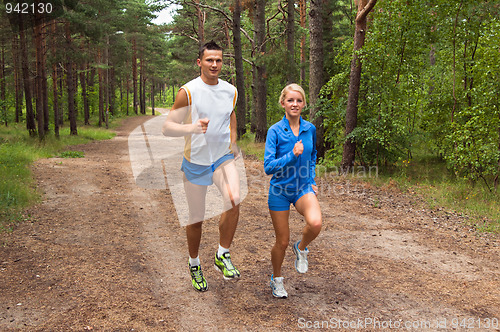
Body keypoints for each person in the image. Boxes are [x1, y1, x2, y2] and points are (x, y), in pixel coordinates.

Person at [161, 41, 241, 292]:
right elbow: (167, 127)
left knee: (234, 199)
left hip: (221, 158)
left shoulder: (231, 91)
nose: (214, 65)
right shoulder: (188, 92)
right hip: (196, 160)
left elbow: (230, 115)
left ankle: (222, 254)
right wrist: (191, 128)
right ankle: (194, 263)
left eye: (218, 60)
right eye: (209, 60)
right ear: (199, 62)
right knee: (196, 219)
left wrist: (233, 140)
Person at [264, 83, 322, 298]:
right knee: (282, 241)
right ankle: (276, 279)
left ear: (304, 103)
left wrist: (311, 177)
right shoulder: (275, 131)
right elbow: (268, 166)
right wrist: (292, 155)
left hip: (302, 188)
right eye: (290, 100)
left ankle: (302, 248)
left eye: (299, 100)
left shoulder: (310, 129)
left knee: (315, 223)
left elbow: (314, 154)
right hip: (280, 190)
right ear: (283, 103)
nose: (295, 104)